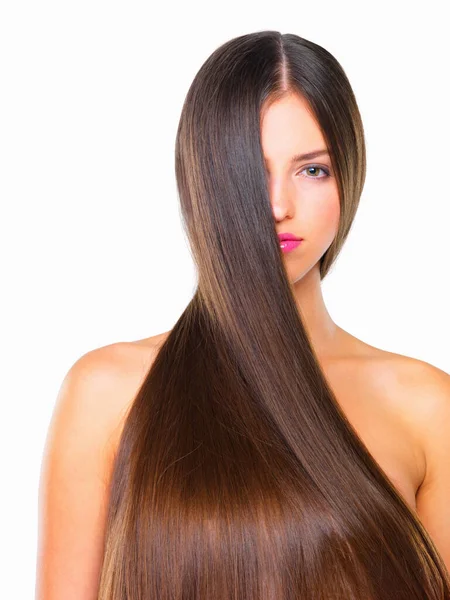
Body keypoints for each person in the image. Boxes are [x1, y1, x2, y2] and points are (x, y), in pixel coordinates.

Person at [36, 30, 450, 599]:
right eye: (250, 169)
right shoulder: (109, 391)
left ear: (349, 177)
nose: (278, 205)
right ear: (202, 178)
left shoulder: (426, 405)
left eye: (313, 170)